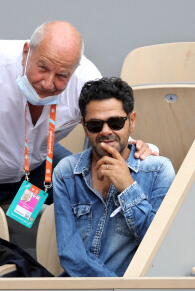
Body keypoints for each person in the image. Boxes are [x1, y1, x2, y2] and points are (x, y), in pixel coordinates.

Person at [0, 21, 154, 228]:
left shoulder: (84, 78)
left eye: (62, 76)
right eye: (42, 68)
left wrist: (131, 145)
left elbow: (106, 124)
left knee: (99, 203)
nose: (47, 83)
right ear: (26, 52)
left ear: (74, 70)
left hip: (39, 167)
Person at [53, 77, 175, 277]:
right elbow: (70, 254)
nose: (106, 131)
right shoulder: (66, 173)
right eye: (95, 125)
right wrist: (114, 287)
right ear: (84, 126)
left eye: (116, 122)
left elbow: (162, 247)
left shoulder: (158, 171)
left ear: (131, 121)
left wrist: (128, 188)